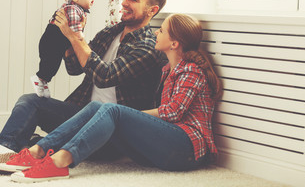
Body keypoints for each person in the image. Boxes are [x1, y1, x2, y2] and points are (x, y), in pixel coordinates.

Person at [0, 13, 223, 183]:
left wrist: (128, 117)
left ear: (174, 43)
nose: (157, 33)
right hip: (167, 148)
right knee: (100, 106)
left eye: (162, 31)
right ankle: (36, 152)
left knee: (112, 110)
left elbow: (173, 112)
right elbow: (74, 68)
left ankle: (59, 161)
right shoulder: (167, 69)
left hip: (189, 147)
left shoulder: (192, 70)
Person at [0, 0, 167, 163]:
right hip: (80, 114)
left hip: (111, 129)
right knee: (29, 101)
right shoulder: (110, 33)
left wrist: (74, 36)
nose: (124, 2)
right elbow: (75, 68)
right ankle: (5, 151)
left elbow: (105, 76)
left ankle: (37, 147)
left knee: (45, 142)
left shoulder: (149, 47)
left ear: (152, 10)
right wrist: (65, 38)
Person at [31, 0, 94, 98]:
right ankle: (40, 79)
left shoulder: (78, 9)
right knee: (49, 63)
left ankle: (43, 82)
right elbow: (74, 21)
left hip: (57, 42)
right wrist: (78, 33)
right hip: (52, 40)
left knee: (53, 65)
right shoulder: (72, 8)